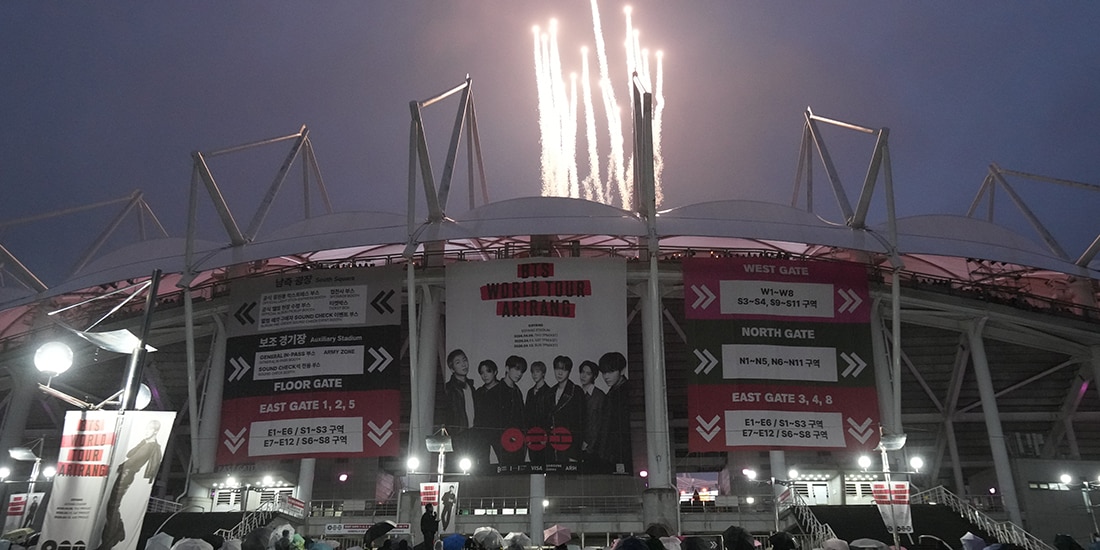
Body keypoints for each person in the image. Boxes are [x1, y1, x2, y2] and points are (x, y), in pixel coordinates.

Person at [95, 418, 165, 550]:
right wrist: (142, 441)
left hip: (126, 475)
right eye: (146, 428)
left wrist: (116, 468)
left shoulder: (150, 447)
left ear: (155, 431)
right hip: (125, 475)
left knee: (112, 506)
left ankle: (109, 540)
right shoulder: (146, 444)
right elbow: (130, 453)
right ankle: (117, 532)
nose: (146, 431)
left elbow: (131, 461)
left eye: (149, 429)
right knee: (113, 506)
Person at [596, 351, 631, 471]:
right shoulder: (613, 392)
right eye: (604, 372)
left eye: (611, 372)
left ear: (622, 371)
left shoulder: (624, 393)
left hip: (620, 450)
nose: (606, 376)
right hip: (613, 450)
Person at [548, 355, 585, 463]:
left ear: (569, 372)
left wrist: (574, 454)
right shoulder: (550, 392)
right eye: (557, 369)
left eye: (564, 370)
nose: (560, 373)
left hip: (569, 447)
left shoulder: (576, 391)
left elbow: (581, 423)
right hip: (552, 447)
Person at [443, 349, 477, 460]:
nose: (463, 364)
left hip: (472, 433)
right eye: (458, 362)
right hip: (458, 434)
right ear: (452, 369)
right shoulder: (449, 389)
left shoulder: (471, 386)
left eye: (464, 360)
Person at [472, 359, 505, 466]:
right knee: (482, 463)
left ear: (495, 372)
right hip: (482, 432)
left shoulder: (503, 389)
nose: (485, 375)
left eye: (488, 371)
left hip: (499, 431)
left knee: (505, 461)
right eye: (482, 373)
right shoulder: (479, 392)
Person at [499, 355, 528, 466]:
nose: (519, 374)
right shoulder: (497, 390)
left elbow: (521, 417)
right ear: (507, 368)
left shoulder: (517, 391)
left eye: (521, 371)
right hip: (504, 442)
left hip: (519, 441)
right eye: (516, 369)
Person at [524, 361, 555, 465]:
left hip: (543, 435)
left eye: (537, 371)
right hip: (531, 435)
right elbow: (526, 415)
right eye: (532, 372)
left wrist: (545, 436)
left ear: (543, 373)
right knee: (534, 463)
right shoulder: (530, 392)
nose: (534, 374)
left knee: (544, 463)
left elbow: (550, 417)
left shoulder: (549, 392)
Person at [577, 360, 606, 464]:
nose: (584, 376)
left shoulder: (599, 396)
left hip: (593, 447)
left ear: (594, 376)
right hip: (577, 444)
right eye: (582, 372)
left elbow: (599, 423)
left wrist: (588, 443)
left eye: (588, 373)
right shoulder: (576, 393)